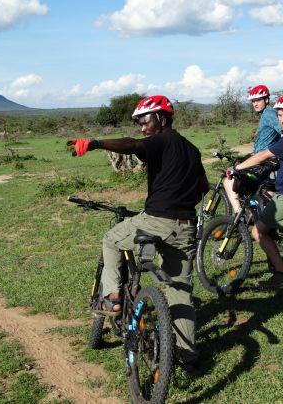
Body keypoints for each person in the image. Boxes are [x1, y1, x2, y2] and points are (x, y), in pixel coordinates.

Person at [68, 95, 208, 371]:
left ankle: (113, 298)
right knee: (179, 289)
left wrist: (96, 143)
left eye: (145, 121)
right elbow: (202, 186)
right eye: (139, 124)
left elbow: (132, 146)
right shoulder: (191, 148)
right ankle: (187, 354)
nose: (142, 128)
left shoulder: (161, 139)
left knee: (111, 240)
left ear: (162, 120)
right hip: (186, 226)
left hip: (157, 219)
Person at [232, 94, 283, 287]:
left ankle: (281, 274)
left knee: (258, 231)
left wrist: (237, 168)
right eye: (279, 115)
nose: (282, 120)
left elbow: (263, 155)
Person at [223, 84, 282, 212]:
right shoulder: (267, 113)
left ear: (266, 100)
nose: (255, 104)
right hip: (263, 157)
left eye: (258, 100)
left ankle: (239, 215)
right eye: (253, 101)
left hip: (264, 159)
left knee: (229, 180)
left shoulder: (269, 114)